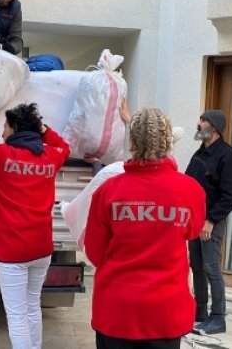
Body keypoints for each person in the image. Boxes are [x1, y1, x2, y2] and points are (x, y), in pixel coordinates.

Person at [84, 107, 206, 349]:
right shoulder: (190, 189)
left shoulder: (109, 190)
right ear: (168, 142)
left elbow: (95, 252)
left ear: (131, 143)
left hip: (117, 311)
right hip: (166, 312)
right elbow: (192, 232)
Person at [0, 101, 69, 349]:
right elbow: (64, 146)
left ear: (15, 128)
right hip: (41, 248)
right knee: (33, 308)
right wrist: (43, 130)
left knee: (17, 315)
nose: (2, 132)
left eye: (5, 126)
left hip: (10, 251)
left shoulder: (0, 157)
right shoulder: (51, 157)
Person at [186, 109, 232, 335]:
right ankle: (200, 314)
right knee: (196, 267)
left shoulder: (228, 156)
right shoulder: (200, 153)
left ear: (214, 127)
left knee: (211, 268)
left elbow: (230, 197)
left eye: (203, 120)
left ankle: (218, 318)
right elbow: (187, 183)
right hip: (195, 221)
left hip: (211, 222)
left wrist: (210, 221)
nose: (198, 124)